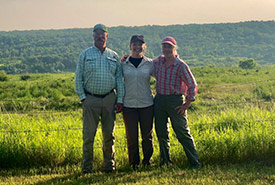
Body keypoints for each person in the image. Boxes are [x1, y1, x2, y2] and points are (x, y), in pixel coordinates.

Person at [75, 23, 124, 173]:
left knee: (109, 135)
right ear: (93, 36)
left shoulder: (113, 56)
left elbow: (119, 81)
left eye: (103, 34)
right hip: (91, 99)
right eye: (97, 34)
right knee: (89, 136)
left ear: (107, 36)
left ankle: (109, 166)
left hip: (110, 98)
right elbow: (78, 78)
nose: (100, 37)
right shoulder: (85, 55)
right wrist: (84, 98)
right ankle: (87, 168)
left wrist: (120, 100)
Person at [153, 36, 201, 169]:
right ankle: (165, 162)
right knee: (161, 133)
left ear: (174, 48)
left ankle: (194, 162)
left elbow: (192, 85)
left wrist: (187, 103)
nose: (167, 49)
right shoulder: (158, 62)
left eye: (169, 47)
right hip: (160, 100)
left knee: (182, 132)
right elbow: (144, 63)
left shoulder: (181, 65)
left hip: (175, 101)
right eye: (164, 46)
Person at [121, 35, 154, 170]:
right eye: (134, 44)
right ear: (130, 46)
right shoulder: (123, 64)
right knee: (131, 137)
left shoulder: (150, 63)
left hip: (146, 104)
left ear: (144, 47)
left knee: (147, 136)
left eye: (140, 44)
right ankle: (134, 163)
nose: (137, 47)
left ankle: (147, 162)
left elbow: (162, 76)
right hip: (128, 105)